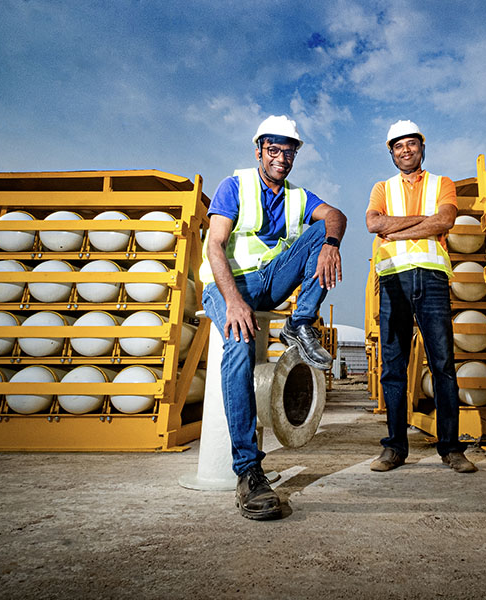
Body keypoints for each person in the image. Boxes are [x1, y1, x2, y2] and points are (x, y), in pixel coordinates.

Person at [201, 115, 347, 520]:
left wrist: (330, 244)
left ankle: (300, 324)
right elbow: (215, 247)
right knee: (240, 344)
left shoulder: (297, 196)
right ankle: (248, 471)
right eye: (274, 149)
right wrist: (233, 301)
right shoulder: (235, 186)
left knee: (322, 233)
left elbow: (336, 215)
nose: (282, 157)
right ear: (259, 150)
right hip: (227, 284)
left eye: (290, 150)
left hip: (269, 282)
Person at [365, 120, 477, 474]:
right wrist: (420, 224)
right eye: (398, 146)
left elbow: (444, 221)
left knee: (442, 364)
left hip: (431, 280)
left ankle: (451, 448)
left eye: (411, 144)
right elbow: (373, 224)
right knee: (393, 367)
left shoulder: (442, 183)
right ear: (391, 152)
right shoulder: (381, 187)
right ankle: (395, 448)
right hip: (394, 280)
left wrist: (396, 230)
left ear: (421, 147)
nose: (405, 150)